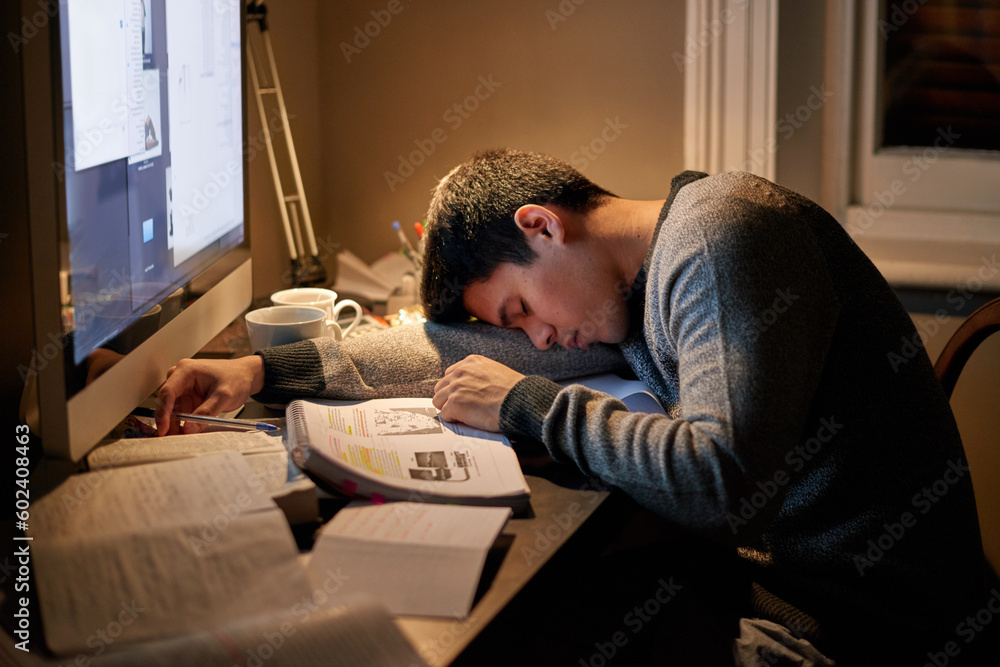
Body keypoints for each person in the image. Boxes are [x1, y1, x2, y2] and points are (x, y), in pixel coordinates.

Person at [157, 149, 987, 663]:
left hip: (864, 630)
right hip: (768, 589)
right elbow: (453, 349)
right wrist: (263, 372)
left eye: (519, 309)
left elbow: (720, 480)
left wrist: (530, 406)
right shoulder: (631, 287)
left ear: (541, 225)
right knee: (522, 621)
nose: (538, 338)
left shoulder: (724, 235)